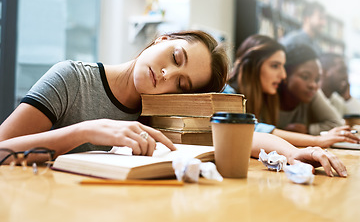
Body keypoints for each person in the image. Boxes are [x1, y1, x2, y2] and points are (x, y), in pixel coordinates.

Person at [0, 30, 347, 177]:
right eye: (175, 56)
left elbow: (242, 133)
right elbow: (2, 148)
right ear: (162, 39)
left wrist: (293, 152)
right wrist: (84, 131)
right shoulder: (71, 79)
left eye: (181, 83)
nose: (165, 74)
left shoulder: (164, 110)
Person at [225, 34, 359, 149]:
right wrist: (317, 141)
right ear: (251, 66)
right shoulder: (226, 95)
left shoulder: (265, 94)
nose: (283, 75)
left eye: (282, 66)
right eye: (275, 66)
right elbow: (250, 130)